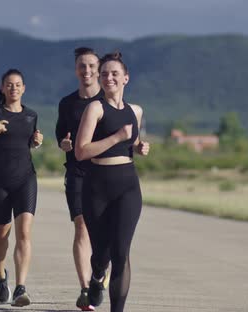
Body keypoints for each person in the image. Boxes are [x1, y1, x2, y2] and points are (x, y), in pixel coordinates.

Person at [74, 51, 150, 312]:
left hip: (128, 187)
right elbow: (81, 151)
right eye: (104, 73)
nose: (108, 78)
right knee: (102, 254)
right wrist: (117, 138)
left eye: (114, 73)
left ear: (126, 78)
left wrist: (139, 146)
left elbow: (134, 139)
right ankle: (96, 277)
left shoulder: (136, 111)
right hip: (97, 187)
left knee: (121, 253)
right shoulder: (95, 108)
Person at [55, 47, 108, 311]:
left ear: (98, 69)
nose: (86, 71)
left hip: (105, 173)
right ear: (75, 70)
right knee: (81, 226)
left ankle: (99, 274)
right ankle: (86, 289)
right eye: (81, 66)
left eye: (90, 66)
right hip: (76, 172)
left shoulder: (108, 99)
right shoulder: (67, 103)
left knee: (104, 232)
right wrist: (64, 143)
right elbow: (60, 136)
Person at [0, 69, 43, 307]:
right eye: (9, 85)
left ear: (24, 88)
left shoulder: (31, 116)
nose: (14, 88)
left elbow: (29, 142)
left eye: (18, 85)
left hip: (25, 179)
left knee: (24, 232)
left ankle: (20, 287)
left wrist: (36, 142)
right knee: (1, 232)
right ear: (2, 88)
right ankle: (1, 275)